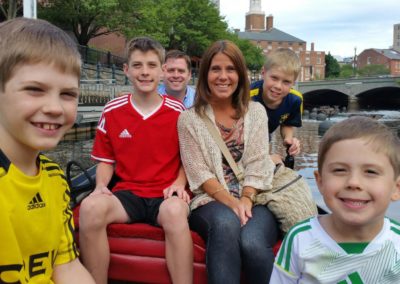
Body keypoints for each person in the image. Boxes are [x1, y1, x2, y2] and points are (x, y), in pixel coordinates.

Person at [79, 36, 193, 284]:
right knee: (89, 207)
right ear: (126, 70)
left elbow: (189, 159)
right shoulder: (112, 110)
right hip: (127, 194)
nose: (145, 72)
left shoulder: (179, 113)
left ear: (162, 71)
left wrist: (179, 183)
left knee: (174, 212)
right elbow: (106, 159)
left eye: (152, 65)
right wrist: (100, 187)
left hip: (165, 193)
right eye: (138, 65)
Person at [0, 18, 95, 283]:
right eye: (34, 89)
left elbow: (66, 266)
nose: (54, 107)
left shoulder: (54, 177)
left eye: (67, 94)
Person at [178, 40, 278, 284]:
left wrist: (245, 199)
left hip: (257, 197)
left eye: (230, 69)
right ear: (205, 75)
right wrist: (232, 203)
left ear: (240, 75)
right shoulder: (189, 119)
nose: (223, 77)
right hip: (210, 200)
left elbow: (258, 161)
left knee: (253, 243)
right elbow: (198, 172)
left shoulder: (256, 113)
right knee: (225, 224)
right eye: (216, 69)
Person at [271, 116, 400, 283]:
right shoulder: (300, 239)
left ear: (396, 188)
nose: (354, 182)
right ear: (320, 181)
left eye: (371, 172)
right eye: (340, 170)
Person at [250, 48, 302, 164]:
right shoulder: (247, 95)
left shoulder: (295, 100)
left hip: (264, 135)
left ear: (293, 83)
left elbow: (287, 123)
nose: (278, 86)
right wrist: (265, 160)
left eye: (286, 82)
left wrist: (288, 138)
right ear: (263, 73)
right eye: (274, 78)